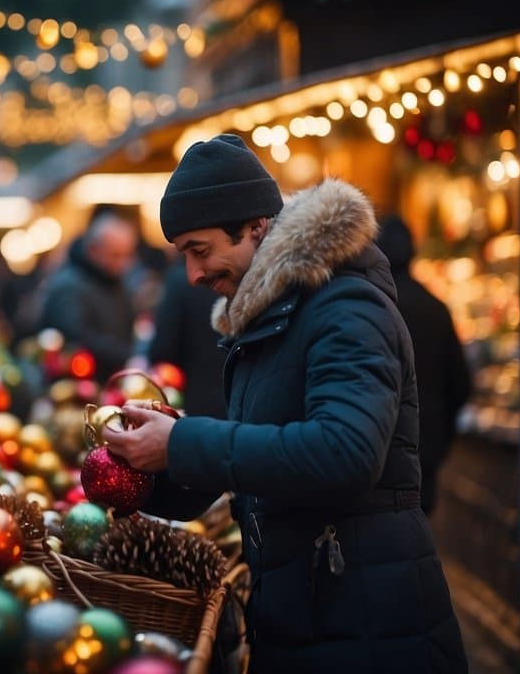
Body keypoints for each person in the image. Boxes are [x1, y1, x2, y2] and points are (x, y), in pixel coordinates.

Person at [105, 135, 466, 672]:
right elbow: (264, 458)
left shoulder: (344, 305)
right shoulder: (273, 316)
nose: (194, 275)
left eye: (200, 251)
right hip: (313, 612)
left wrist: (183, 442)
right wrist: (147, 466)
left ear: (256, 227)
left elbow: (344, 454)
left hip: (366, 624)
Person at [375, 215, 471, 514]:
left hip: (380, 452)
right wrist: (441, 440)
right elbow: (462, 384)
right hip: (426, 449)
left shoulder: (370, 307)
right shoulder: (436, 308)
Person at [35, 213, 138, 379]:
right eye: (116, 255)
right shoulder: (67, 286)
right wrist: (127, 354)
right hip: (78, 388)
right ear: (93, 250)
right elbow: (76, 337)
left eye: (128, 255)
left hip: (114, 380)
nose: (124, 264)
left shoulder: (115, 282)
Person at [148, 260, 227, 419]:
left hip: (196, 401)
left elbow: (163, 349)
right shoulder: (245, 275)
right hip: (243, 408)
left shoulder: (181, 280)